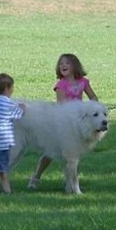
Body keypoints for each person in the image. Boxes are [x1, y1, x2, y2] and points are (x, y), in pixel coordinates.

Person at [27, 53, 98, 190]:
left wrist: (93, 108)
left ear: (75, 66)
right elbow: (62, 104)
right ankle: (36, 176)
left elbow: (93, 97)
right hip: (63, 123)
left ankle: (70, 183)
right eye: (61, 64)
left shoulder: (83, 82)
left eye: (67, 63)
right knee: (49, 153)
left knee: (74, 154)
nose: (63, 66)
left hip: (78, 123)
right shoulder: (61, 85)